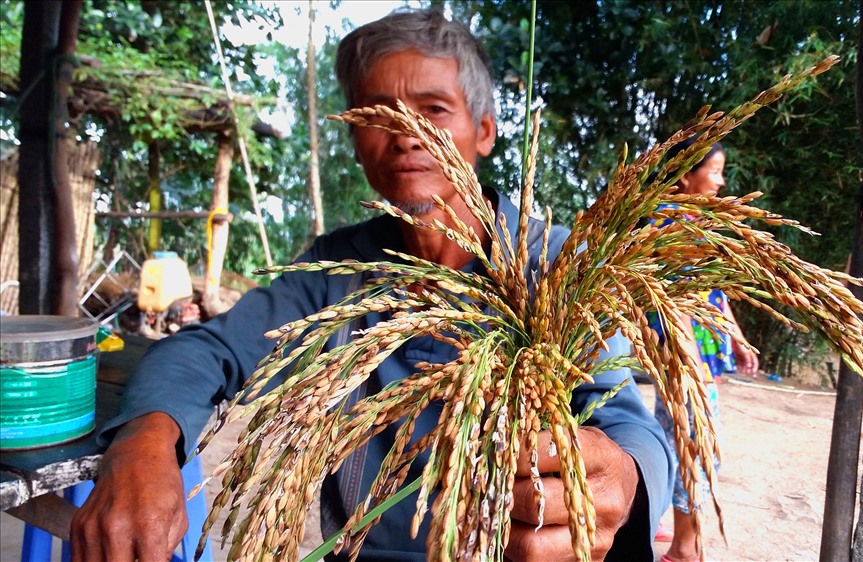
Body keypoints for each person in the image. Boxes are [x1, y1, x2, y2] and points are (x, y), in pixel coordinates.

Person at [70, 9, 671, 562]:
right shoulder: (335, 272)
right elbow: (210, 348)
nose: (408, 134)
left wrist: (622, 475)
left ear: (484, 130)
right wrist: (146, 437)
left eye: (434, 109)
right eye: (378, 114)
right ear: (355, 140)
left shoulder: (558, 264)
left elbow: (628, 425)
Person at [646, 138, 758, 562]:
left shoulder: (697, 219)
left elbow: (714, 291)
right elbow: (668, 296)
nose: (721, 181)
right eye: (714, 171)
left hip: (696, 351)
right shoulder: (665, 222)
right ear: (685, 175)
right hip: (681, 351)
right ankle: (685, 547)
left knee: (676, 435)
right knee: (694, 440)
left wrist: (735, 336)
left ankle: (661, 523)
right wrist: (689, 357)